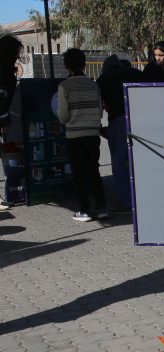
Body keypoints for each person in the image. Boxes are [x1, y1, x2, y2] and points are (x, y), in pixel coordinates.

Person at [57, 48, 107, 222]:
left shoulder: (64, 86)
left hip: (75, 136)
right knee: (94, 171)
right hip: (93, 135)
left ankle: (84, 210)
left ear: (65, 65)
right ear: (85, 64)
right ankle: (101, 207)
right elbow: (100, 111)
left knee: (79, 173)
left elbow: (63, 115)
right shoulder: (93, 84)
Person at [96, 55, 144, 212]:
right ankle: (143, 196)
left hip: (119, 121)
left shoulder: (104, 79)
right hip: (142, 119)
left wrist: (101, 128)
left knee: (118, 163)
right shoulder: (136, 73)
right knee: (138, 161)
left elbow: (98, 106)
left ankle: (127, 201)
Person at [0, 34, 23, 210]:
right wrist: (4, 120)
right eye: (16, 52)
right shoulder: (4, 72)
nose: (18, 55)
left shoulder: (8, 71)